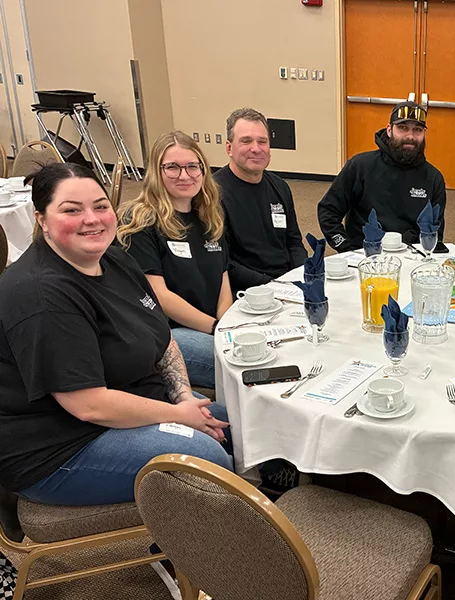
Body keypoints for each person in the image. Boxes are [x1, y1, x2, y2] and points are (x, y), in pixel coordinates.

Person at [0, 163, 231, 506]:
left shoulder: (114, 259)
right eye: (71, 210)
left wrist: (183, 397)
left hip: (127, 404)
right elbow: (89, 405)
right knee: (205, 458)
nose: (91, 219)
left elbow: (163, 339)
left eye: (101, 205)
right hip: (60, 447)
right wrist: (179, 416)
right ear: (41, 220)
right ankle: (210, 543)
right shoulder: (41, 294)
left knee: (235, 422)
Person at [118, 131, 231, 389]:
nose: (185, 175)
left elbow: (223, 278)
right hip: (168, 334)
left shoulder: (209, 216)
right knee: (245, 364)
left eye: (193, 166)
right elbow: (159, 295)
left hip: (212, 326)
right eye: (172, 167)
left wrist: (228, 324)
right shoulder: (141, 220)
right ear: (157, 172)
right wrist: (216, 329)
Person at [317, 101, 448, 253]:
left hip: (412, 257)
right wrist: (346, 248)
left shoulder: (433, 178)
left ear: (424, 134)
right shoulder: (360, 166)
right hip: (365, 256)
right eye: (402, 128)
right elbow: (328, 211)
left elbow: (434, 232)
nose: (410, 136)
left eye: (417, 130)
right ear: (389, 130)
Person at [215, 108, 308, 291]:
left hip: (285, 282)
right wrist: (272, 286)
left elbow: (294, 242)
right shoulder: (213, 195)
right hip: (247, 290)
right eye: (246, 141)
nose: (256, 149)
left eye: (262, 141)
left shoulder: (279, 186)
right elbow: (223, 262)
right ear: (229, 148)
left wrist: (299, 275)